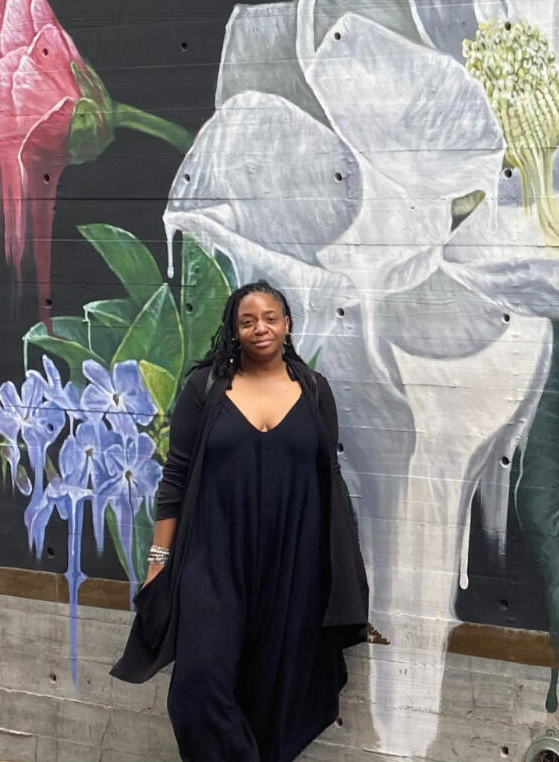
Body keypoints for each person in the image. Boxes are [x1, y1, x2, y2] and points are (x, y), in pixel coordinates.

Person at [111, 279, 369, 761]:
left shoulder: (314, 390)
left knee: (274, 696)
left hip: (293, 563)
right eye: (247, 321)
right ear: (234, 329)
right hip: (212, 561)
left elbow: (328, 477)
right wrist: (158, 562)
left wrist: (339, 567)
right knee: (196, 692)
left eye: (270, 318)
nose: (260, 328)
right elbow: (176, 477)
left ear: (287, 325)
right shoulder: (206, 388)